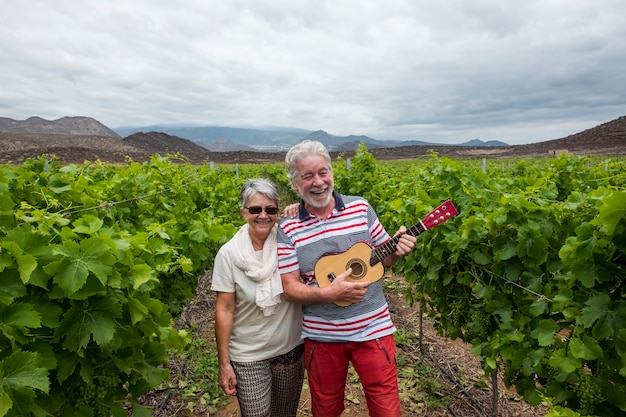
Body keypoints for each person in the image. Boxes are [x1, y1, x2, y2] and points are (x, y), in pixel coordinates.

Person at [277, 140, 417, 417]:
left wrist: (398, 250)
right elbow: (289, 288)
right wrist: (330, 294)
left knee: (386, 407)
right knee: (326, 408)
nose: (318, 182)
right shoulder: (288, 226)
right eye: (307, 176)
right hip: (322, 336)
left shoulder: (361, 209)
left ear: (332, 173)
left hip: (374, 331)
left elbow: (384, 257)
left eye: (323, 172)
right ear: (295, 184)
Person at [212, 178, 304, 417]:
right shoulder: (229, 254)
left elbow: (319, 224)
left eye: (270, 209)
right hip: (248, 355)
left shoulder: (289, 241)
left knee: (285, 414)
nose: (263, 215)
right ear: (243, 213)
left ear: (277, 211)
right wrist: (224, 364)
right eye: (255, 210)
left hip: (289, 348)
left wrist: (300, 208)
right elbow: (225, 309)